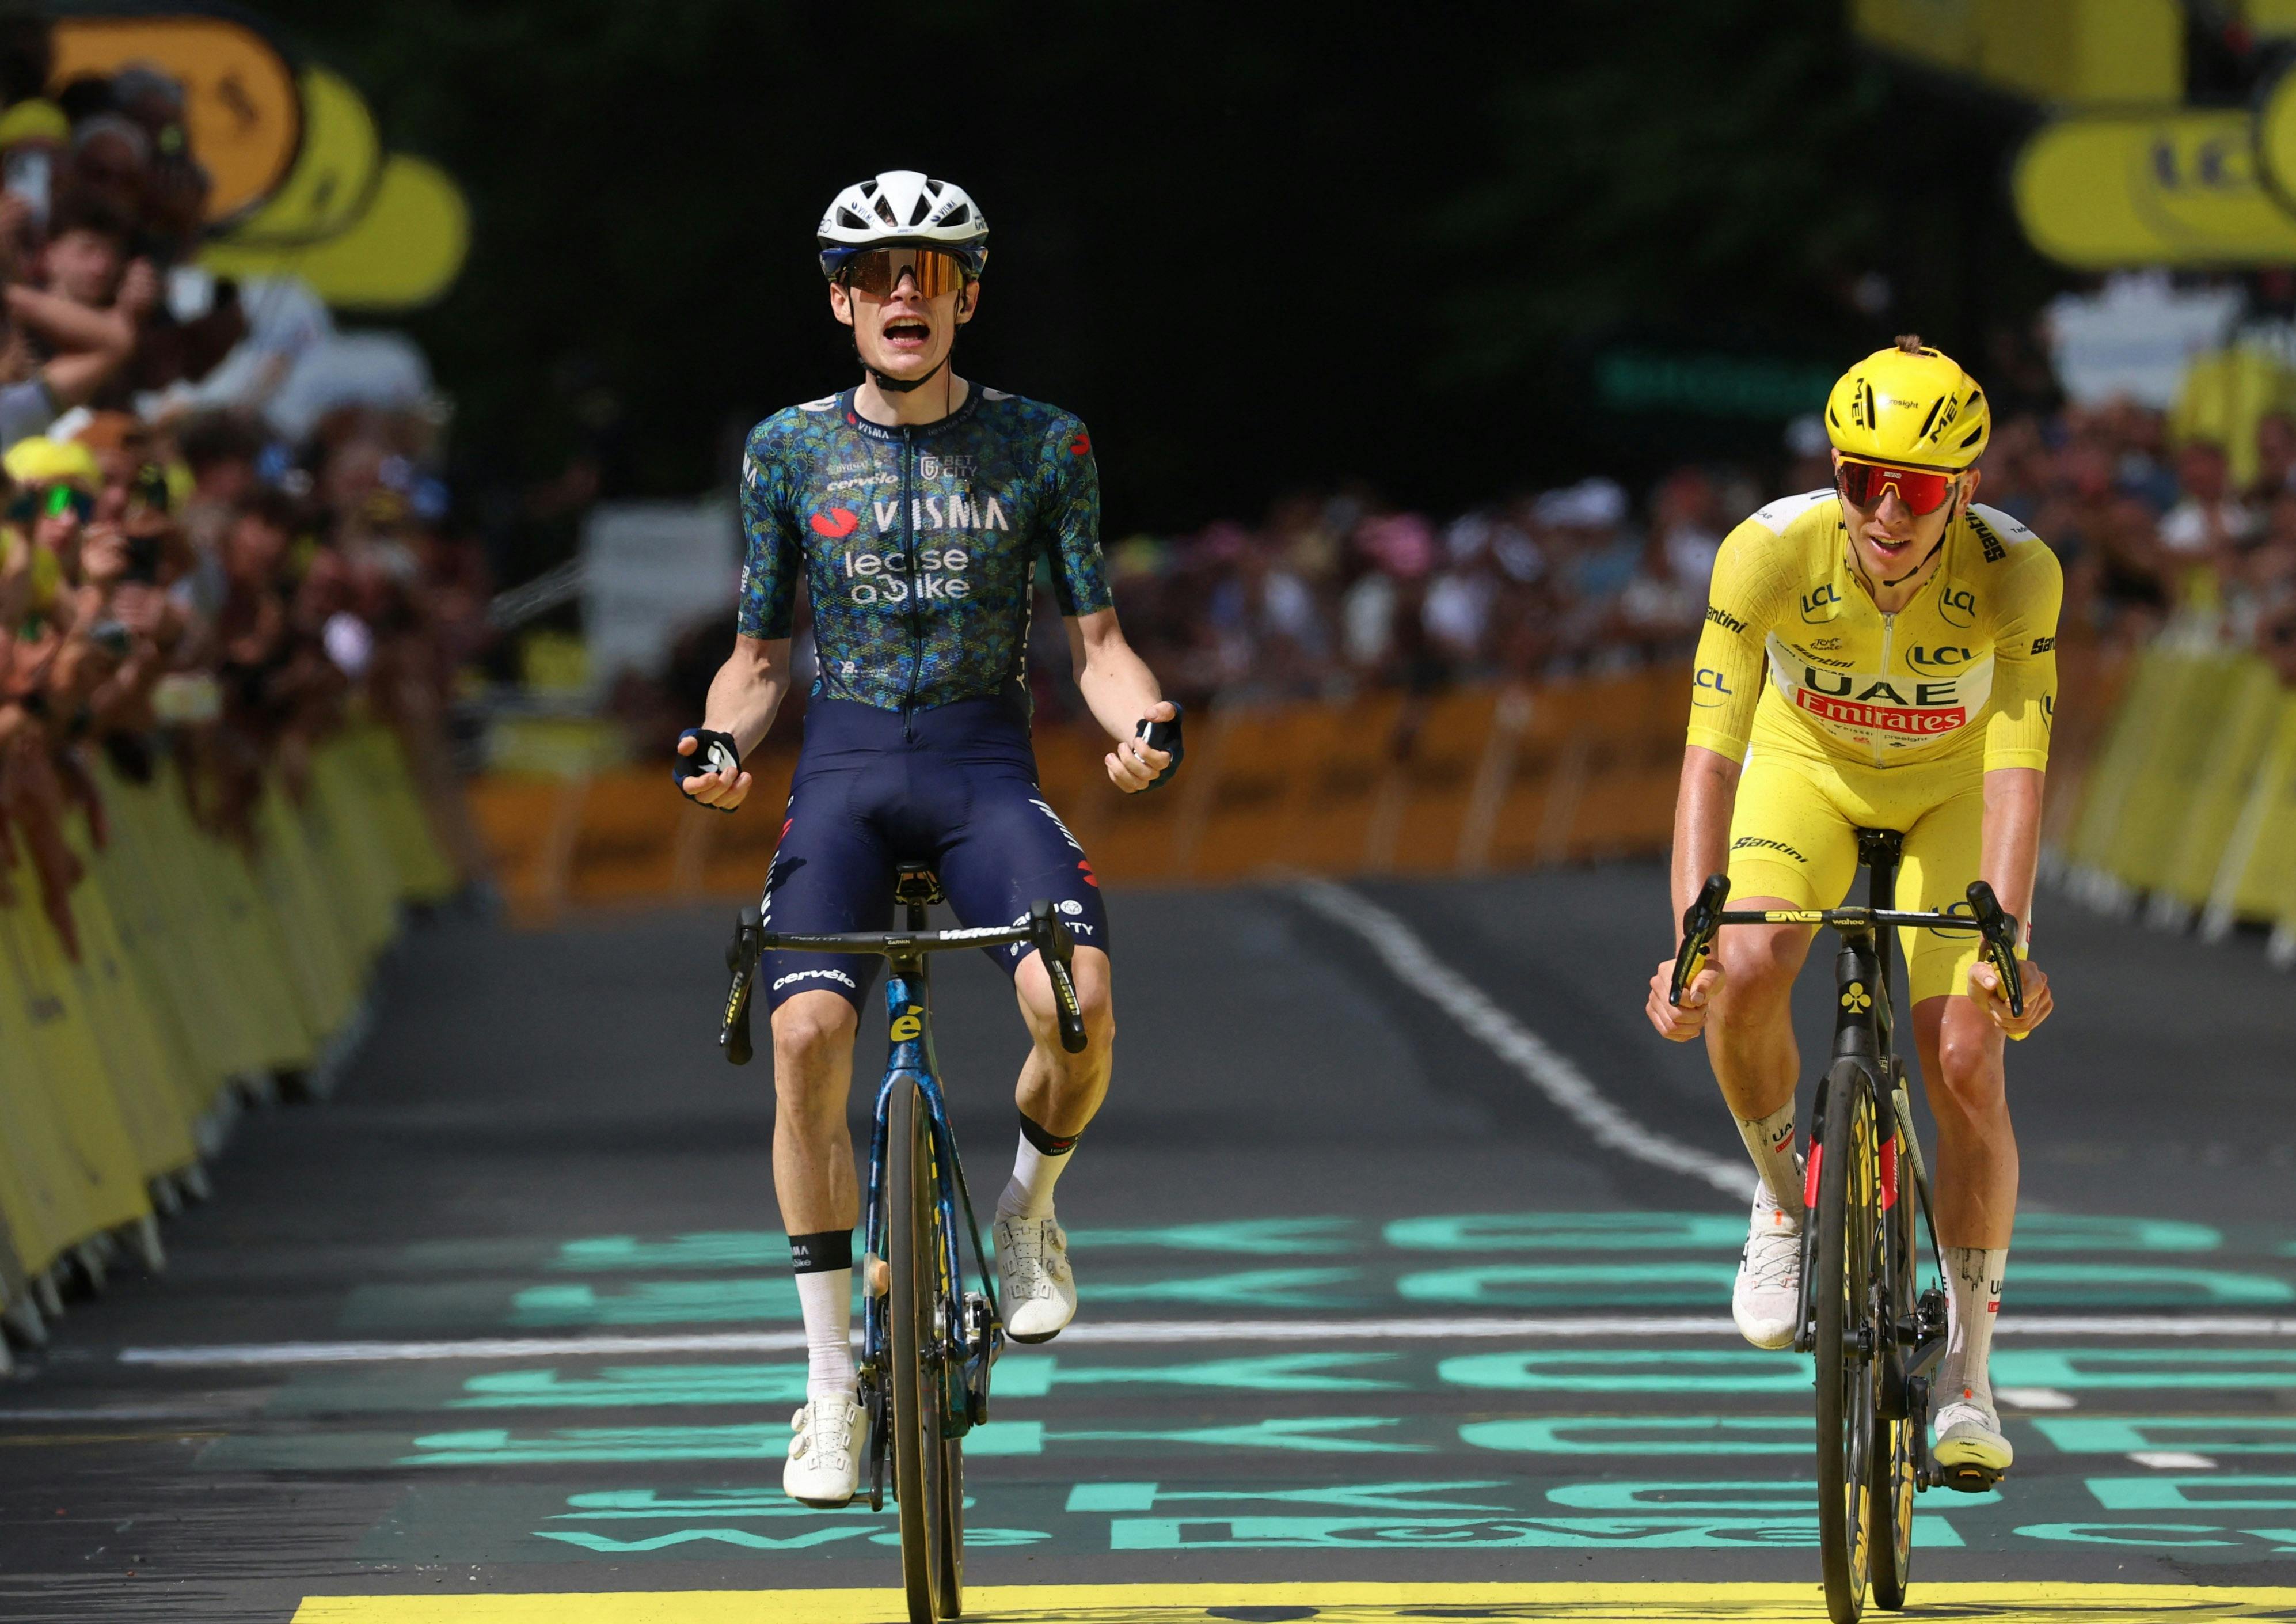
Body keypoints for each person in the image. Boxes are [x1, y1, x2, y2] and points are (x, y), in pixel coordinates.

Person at [673, 170, 1180, 1509]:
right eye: (881, 273)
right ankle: (831, 1384)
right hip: (841, 767)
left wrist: (1144, 727)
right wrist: (720, 745)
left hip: (977, 766)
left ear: (967, 294)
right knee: (801, 1039)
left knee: (1079, 1007)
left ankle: (1024, 1217)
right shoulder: (785, 450)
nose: (909, 293)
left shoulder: (1043, 445)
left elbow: (1100, 648)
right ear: (841, 300)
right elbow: (755, 661)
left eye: (935, 271)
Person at [1645, 336, 2060, 1489]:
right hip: (1807, 774)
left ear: (1962, 490)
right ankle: (1782, 1206)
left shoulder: (2017, 572)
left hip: (1947, 797)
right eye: (1858, 478)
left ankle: (1971, 1379)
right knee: (1745, 958)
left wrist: (2005, 940)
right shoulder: (1766, 555)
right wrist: (1687, 932)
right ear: (1831, 470)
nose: (1885, 509)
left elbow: (2019, 770)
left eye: (1916, 488)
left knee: (1967, 1052)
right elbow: (1708, 758)